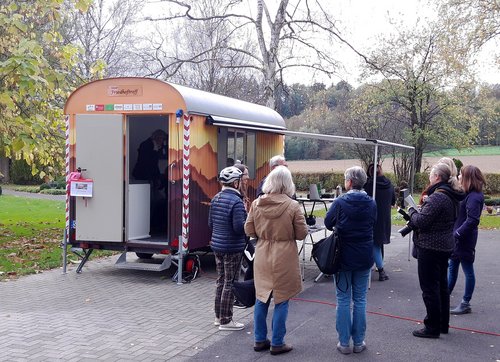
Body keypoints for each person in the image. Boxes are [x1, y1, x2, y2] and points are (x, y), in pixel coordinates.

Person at [244, 166, 307, 355]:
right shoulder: (292, 205)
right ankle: (278, 342)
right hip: (284, 255)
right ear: (288, 184)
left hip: (263, 253)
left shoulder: (256, 204)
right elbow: (302, 233)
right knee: (282, 299)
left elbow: (248, 229)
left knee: (261, 297)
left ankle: (259, 339)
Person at [407, 162, 465, 338]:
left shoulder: (438, 196)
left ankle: (432, 326)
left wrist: (411, 211)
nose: (429, 179)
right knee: (441, 287)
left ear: (437, 177)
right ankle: (442, 324)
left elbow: (421, 221)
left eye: (431, 176)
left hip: (431, 246)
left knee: (430, 288)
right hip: (445, 245)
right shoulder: (452, 194)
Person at [324, 166, 377, 355]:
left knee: (343, 299)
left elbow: (328, 222)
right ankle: (359, 341)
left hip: (343, 256)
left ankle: (344, 342)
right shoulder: (371, 203)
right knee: (361, 299)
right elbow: (374, 222)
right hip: (364, 255)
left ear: (349, 182)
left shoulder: (340, 202)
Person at [208, 166, 247, 331]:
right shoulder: (237, 201)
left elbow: (210, 223)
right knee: (230, 282)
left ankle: (218, 317)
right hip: (232, 247)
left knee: (221, 281)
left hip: (217, 245)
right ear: (236, 183)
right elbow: (239, 228)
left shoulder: (216, 198)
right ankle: (226, 320)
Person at [448, 165, 485, 315]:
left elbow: (472, 220)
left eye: (461, 175)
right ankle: (444, 296)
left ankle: (465, 303)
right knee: (452, 266)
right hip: (460, 238)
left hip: (464, 239)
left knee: (467, 269)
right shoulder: (469, 194)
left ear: (468, 178)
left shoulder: (474, 197)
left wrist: (457, 234)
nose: (458, 177)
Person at [364, 164, 396, 281]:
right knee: (378, 242)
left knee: (374, 244)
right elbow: (393, 200)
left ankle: (381, 270)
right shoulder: (389, 184)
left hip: (373, 217)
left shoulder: (369, 185)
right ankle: (379, 266)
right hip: (385, 218)